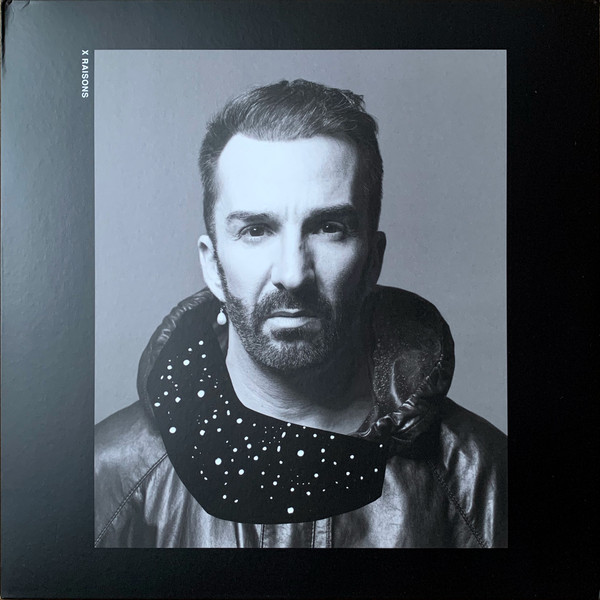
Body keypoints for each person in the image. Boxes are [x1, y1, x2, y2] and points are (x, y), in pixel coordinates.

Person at [94, 79, 507, 548]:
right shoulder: (110, 475)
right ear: (211, 264)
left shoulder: (483, 479)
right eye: (256, 230)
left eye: (329, 227)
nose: (292, 274)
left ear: (373, 260)